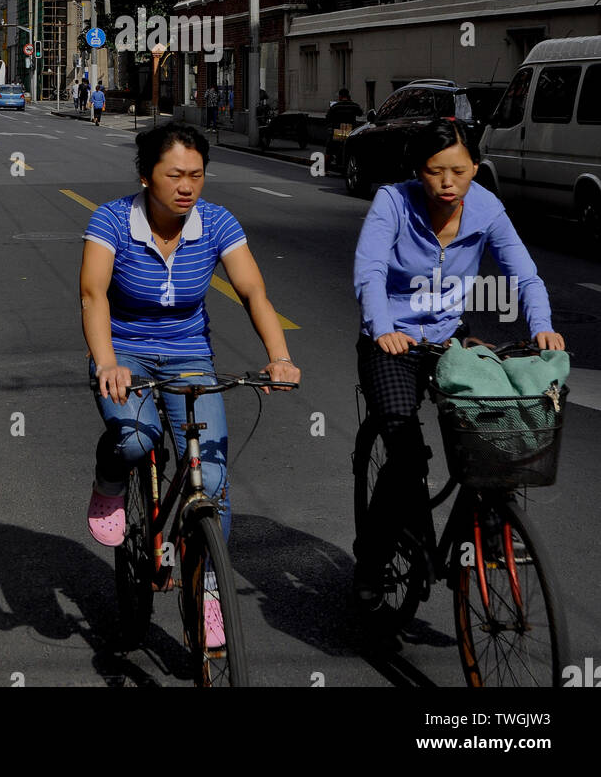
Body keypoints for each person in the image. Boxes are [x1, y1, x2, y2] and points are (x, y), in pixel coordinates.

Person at [80, 121, 301, 640]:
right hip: (124, 352)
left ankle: (207, 592)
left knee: (214, 481)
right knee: (136, 442)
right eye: (174, 174)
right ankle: (109, 480)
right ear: (145, 176)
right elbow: (93, 295)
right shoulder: (111, 220)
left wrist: (280, 356)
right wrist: (108, 361)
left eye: (196, 175)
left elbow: (253, 292)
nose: (186, 186)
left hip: (188, 356)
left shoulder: (218, 223)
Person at [351, 117, 565, 611]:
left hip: (449, 339)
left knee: (497, 429)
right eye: (434, 171)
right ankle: (371, 560)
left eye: (459, 170)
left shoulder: (487, 209)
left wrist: (542, 325)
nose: (447, 183)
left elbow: (525, 275)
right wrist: (383, 328)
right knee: (404, 454)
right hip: (392, 343)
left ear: (474, 167)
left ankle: (492, 525)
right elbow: (371, 269)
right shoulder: (393, 203)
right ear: (418, 171)